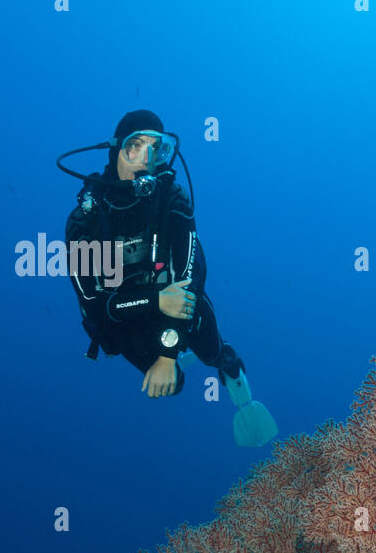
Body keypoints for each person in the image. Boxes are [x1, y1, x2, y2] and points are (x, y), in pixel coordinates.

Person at [58, 109, 277, 446]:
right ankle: (174, 352)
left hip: (180, 300)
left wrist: (168, 353)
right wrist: (157, 303)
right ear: (115, 150)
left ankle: (226, 365)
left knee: (210, 349)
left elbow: (189, 282)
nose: (147, 158)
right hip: (126, 315)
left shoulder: (172, 201)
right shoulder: (88, 221)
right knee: (172, 386)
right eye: (136, 146)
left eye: (156, 148)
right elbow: (97, 305)